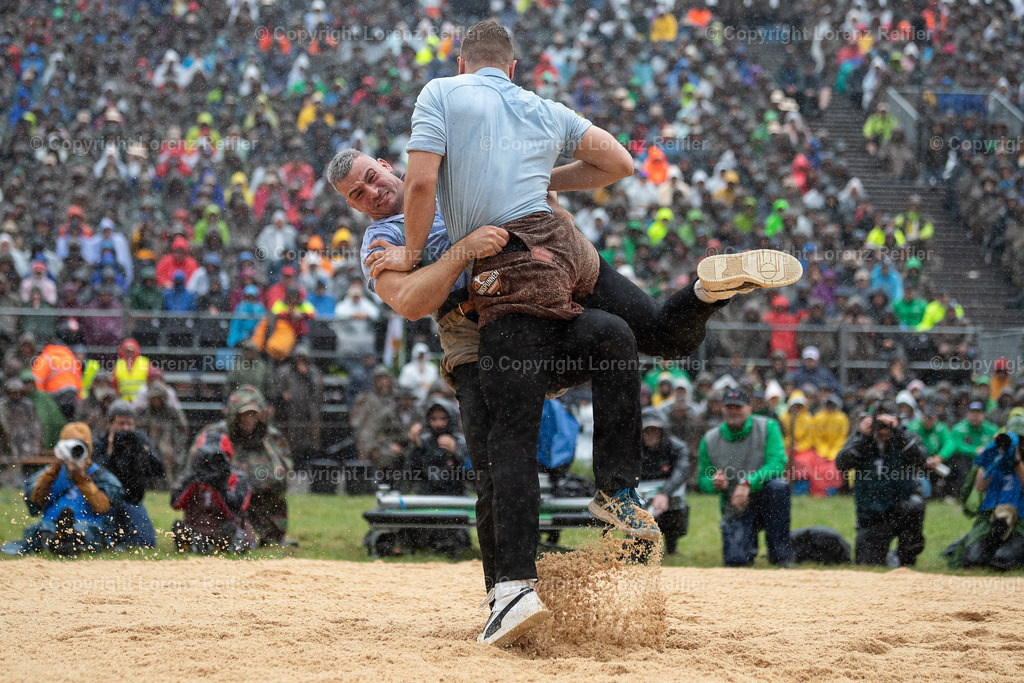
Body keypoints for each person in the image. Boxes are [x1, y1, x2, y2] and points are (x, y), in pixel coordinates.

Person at [187, 386, 294, 546]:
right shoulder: (214, 436)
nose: (248, 419)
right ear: (233, 415)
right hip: (222, 504)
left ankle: (269, 536)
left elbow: (284, 474)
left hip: (258, 505)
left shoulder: (271, 438)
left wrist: (254, 484)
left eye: (253, 414)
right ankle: (210, 534)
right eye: (243, 414)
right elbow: (193, 474)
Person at [698, 389, 792, 568]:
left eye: (738, 407)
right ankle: (749, 544)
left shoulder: (768, 427)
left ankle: (780, 555)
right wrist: (714, 483)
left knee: (778, 486)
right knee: (736, 561)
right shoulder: (710, 439)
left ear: (749, 409)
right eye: (729, 407)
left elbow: (777, 464)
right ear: (722, 409)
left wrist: (747, 482)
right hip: (735, 504)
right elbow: (702, 479)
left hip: (766, 497)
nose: (733, 411)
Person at [3, 423, 123, 556]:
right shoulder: (50, 473)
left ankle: (68, 540)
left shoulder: (99, 475)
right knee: (45, 528)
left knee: (85, 529)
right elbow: (35, 502)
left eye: (79, 448)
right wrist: (54, 470)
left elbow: (103, 507)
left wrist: (81, 477)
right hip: (50, 523)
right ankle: (57, 541)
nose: (74, 452)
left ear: (88, 448)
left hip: (86, 523)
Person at [836, 401, 929, 567]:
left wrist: (898, 432)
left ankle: (905, 555)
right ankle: (885, 554)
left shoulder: (905, 436)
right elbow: (841, 464)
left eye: (888, 424)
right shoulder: (863, 439)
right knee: (868, 563)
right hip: (873, 514)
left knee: (915, 506)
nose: (884, 429)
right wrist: (863, 436)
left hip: (901, 508)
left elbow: (921, 459)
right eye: (879, 423)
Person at [92, 400, 165, 548]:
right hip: (106, 500)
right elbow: (97, 474)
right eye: (121, 424)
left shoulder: (139, 439)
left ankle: (123, 538)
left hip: (131, 498)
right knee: (99, 542)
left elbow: (159, 470)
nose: (125, 429)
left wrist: (144, 452)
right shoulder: (101, 441)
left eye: (129, 424)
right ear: (110, 423)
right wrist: (110, 451)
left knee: (147, 542)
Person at [404, 398, 471, 556]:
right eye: (434, 419)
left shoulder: (461, 442)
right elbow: (409, 475)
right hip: (427, 496)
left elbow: (471, 477)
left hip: (454, 497)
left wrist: (456, 455)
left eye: (443, 418)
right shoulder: (424, 442)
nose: (439, 424)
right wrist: (416, 448)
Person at [171, 435, 256, 555]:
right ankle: (191, 545)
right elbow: (175, 503)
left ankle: (221, 547)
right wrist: (196, 477)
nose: (211, 463)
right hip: (197, 529)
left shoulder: (238, 479)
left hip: (223, 530)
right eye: (206, 458)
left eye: (217, 458)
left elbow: (236, 511)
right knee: (179, 526)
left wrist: (221, 486)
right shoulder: (194, 477)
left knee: (233, 533)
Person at [643, 407, 691, 556]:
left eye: (654, 430)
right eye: (647, 431)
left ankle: (672, 544)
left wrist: (664, 493)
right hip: (640, 494)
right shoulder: (631, 449)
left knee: (677, 510)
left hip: (668, 494)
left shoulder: (677, 447)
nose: (651, 434)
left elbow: (682, 470)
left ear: (662, 431)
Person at [273, 345, 323, 470]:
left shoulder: (314, 373)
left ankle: (306, 465)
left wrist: (306, 376)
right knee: (290, 440)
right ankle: (290, 465)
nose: (300, 361)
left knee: (309, 441)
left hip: (307, 412)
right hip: (290, 412)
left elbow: (317, 392)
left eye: (303, 358)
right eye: (298, 358)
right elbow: (276, 390)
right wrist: (282, 394)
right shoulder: (285, 372)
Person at [135, 381, 190, 486]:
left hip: (168, 446)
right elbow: (137, 430)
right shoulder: (144, 413)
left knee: (167, 456)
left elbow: (182, 431)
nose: (156, 401)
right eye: (153, 398)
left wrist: (177, 448)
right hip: (149, 445)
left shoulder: (172, 413)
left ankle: (168, 484)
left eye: (158, 398)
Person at [949, 401, 1000, 501]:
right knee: (959, 460)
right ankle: (962, 493)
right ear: (967, 414)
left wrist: (986, 451)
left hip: (986, 461)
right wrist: (974, 450)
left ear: (983, 415)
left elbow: (997, 444)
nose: (975, 416)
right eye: (972, 413)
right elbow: (957, 445)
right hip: (968, 461)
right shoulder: (959, 429)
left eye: (978, 413)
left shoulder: (991, 429)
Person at [31, 337, 82, 420]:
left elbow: (37, 379)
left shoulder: (46, 357)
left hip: (55, 396)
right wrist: (78, 398)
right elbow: (79, 379)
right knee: (69, 421)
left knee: (55, 422)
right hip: (72, 395)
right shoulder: (71, 357)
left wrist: (40, 398)